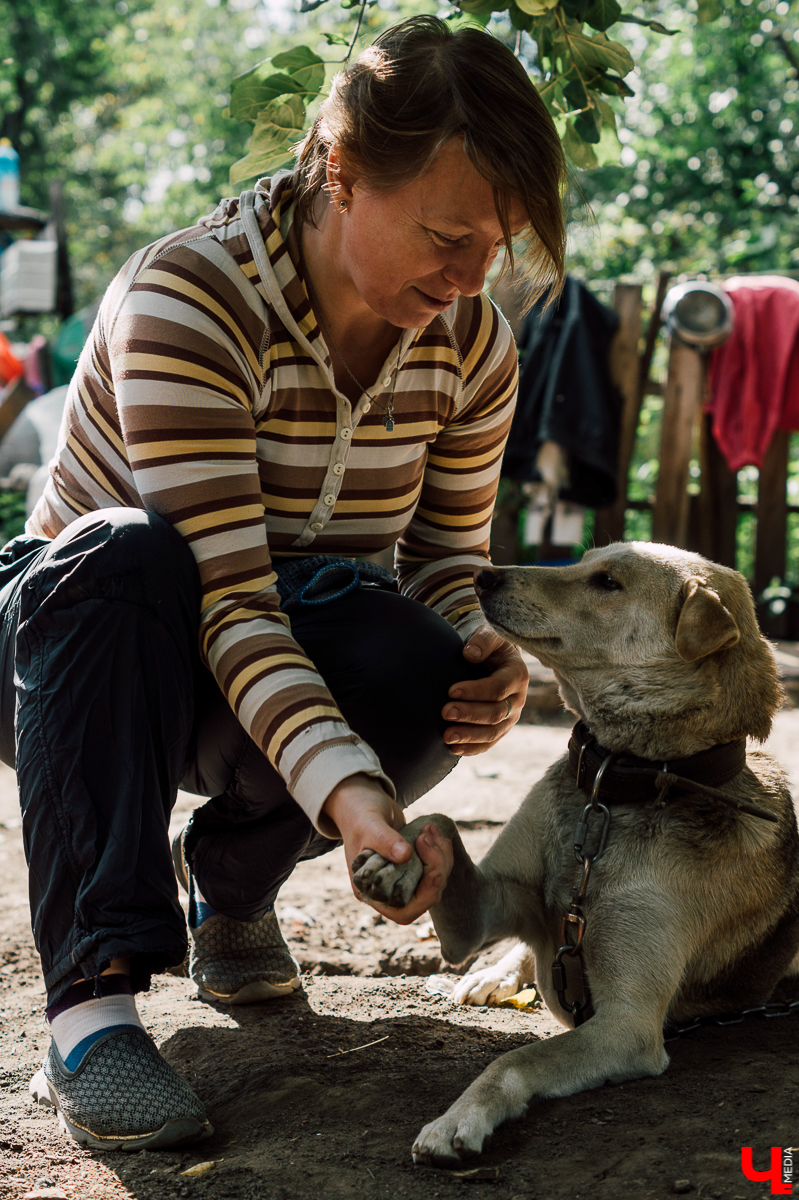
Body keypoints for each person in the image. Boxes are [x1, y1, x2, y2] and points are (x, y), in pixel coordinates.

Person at [0, 15, 566, 1152]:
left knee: (428, 662)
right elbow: (232, 604)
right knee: (131, 553)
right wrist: (361, 805)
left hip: (274, 633)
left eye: (494, 245)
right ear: (342, 170)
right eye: (447, 235)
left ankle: (235, 888)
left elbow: (444, 565)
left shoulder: (471, 345)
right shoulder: (189, 300)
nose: (468, 280)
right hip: (78, 645)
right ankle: (91, 1007)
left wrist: (486, 655)